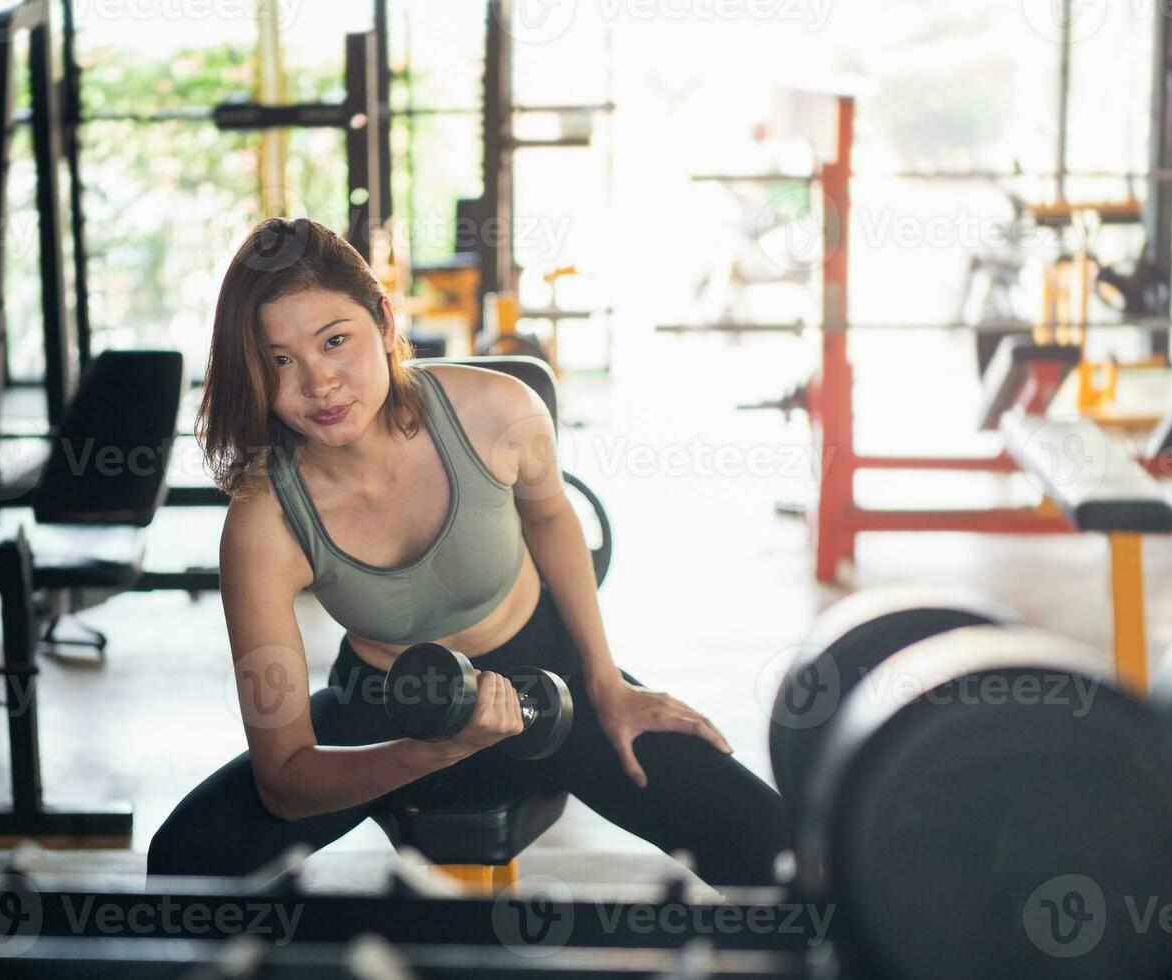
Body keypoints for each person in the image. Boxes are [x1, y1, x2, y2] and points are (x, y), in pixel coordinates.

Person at [148, 217, 790, 885]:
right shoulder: (264, 523)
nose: (318, 384)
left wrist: (605, 680)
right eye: (279, 359)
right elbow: (284, 782)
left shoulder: (497, 411)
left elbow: (550, 519)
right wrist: (436, 750)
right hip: (387, 704)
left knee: (769, 845)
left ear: (384, 321)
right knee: (185, 860)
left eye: (334, 341)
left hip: (549, 683)